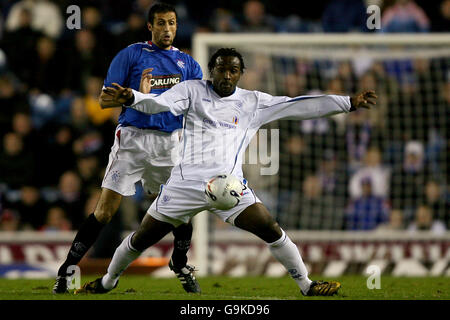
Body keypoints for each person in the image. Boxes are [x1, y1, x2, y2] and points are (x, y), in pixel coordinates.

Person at [75, 48, 377, 296]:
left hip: (229, 188)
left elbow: (300, 106)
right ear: (212, 70)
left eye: (233, 70)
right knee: (141, 238)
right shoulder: (192, 91)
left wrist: (347, 103)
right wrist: (133, 98)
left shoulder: (252, 102)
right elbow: (160, 104)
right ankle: (106, 282)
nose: (227, 75)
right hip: (185, 186)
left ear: (240, 73)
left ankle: (307, 285)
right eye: (221, 69)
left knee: (271, 228)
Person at [53, 3, 203, 294]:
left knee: (183, 211)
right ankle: (67, 269)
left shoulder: (188, 64)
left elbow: (197, 106)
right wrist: (133, 96)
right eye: (161, 23)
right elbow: (104, 101)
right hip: (132, 139)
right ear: (150, 26)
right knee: (105, 211)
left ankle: (180, 263)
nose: (167, 29)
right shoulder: (131, 54)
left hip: (170, 143)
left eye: (171, 23)